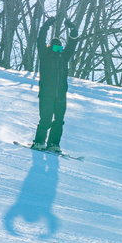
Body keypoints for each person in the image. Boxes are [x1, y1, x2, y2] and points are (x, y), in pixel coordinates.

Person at [32, 14, 77, 152]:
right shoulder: (45, 55)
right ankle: (39, 142)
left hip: (61, 96)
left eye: (61, 49)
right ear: (51, 47)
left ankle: (54, 144)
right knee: (45, 119)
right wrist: (47, 24)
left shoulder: (63, 58)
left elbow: (72, 44)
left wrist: (73, 29)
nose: (59, 51)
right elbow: (40, 39)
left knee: (59, 121)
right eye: (57, 49)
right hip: (46, 94)